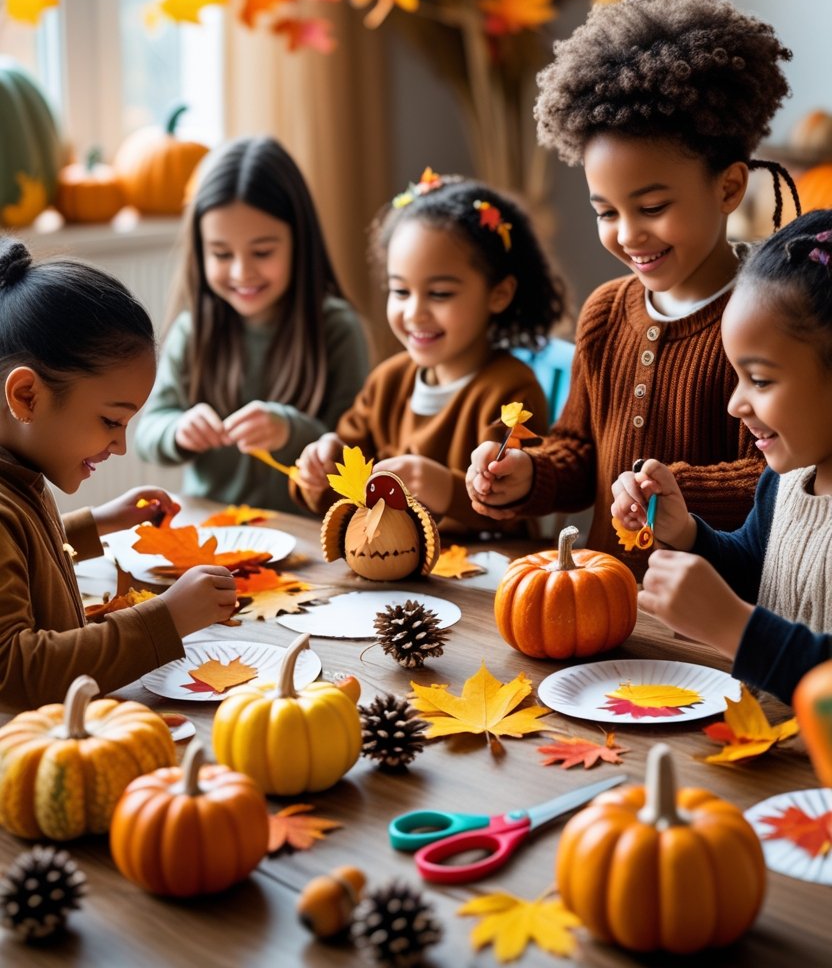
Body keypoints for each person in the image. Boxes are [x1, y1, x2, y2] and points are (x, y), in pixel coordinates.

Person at [467, 0, 800, 559]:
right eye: (605, 212)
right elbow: (578, 451)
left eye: (652, 209)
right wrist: (528, 473)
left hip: (709, 613)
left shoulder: (767, 318)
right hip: (601, 597)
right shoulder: (603, 314)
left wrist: (673, 491)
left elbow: (782, 477)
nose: (627, 234)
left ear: (728, 187)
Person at [0, 236, 237, 711]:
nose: (120, 444)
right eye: (111, 420)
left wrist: (99, 522)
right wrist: (166, 618)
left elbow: (26, 557)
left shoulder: (18, 478)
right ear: (26, 396)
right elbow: (14, 671)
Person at [610, 211, 832, 704]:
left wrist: (736, 630)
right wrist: (685, 532)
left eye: (761, 379)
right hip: (768, 758)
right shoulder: (787, 482)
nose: (736, 403)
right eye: (737, 376)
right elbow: (757, 571)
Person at [293, 172, 566, 534]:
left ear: (498, 294)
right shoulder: (387, 382)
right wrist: (318, 470)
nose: (414, 313)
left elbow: (512, 506)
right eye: (400, 291)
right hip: (390, 572)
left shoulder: (512, 391)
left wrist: (441, 487)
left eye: (439, 294)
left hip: (482, 578)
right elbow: (343, 496)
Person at [135, 135, 370, 513]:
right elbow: (148, 432)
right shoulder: (193, 330)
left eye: (262, 252)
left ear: (299, 241)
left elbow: (357, 446)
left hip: (307, 535)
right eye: (221, 253)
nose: (242, 271)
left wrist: (290, 430)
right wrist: (178, 430)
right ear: (201, 249)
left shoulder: (338, 328)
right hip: (212, 530)